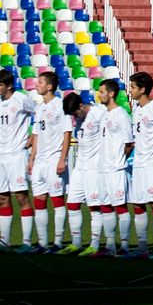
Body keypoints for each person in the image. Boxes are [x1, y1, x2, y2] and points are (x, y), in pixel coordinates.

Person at [0, 68, 34, 251]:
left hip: (17, 154)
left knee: (21, 196)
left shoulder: (22, 99)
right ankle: (4, 242)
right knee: (1, 198)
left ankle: (26, 243)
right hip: (0, 154)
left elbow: (38, 116)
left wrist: (32, 138)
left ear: (8, 85)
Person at [125, 71, 153, 259]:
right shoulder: (136, 111)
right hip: (139, 163)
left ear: (142, 89)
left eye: (133, 87)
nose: (130, 90)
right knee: (137, 204)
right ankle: (142, 246)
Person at [28, 70, 72, 254]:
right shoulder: (39, 108)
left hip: (54, 160)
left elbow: (67, 133)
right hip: (40, 161)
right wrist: (32, 158)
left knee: (57, 200)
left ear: (50, 86)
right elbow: (36, 134)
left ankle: (58, 242)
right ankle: (42, 242)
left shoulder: (61, 106)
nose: (36, 85)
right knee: (39, 200)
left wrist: (62, 159)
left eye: (40, 82)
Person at [90, 78, 133, 257]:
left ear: (111, 93)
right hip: (103, 168)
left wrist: (118, 159)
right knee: (106, 206)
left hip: (116, 168)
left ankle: (124, 245)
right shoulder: (105, 115)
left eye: (102, 91)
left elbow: (129, 143)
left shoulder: (121, 114)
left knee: (120, 206)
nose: (99, 95)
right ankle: (109, 245)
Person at [59, 91, 93, 253]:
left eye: (75, 113)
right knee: (72, 203)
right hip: (80, 166)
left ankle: (94, 245)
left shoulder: (98, 114)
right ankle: (76, 243)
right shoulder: (79, 119)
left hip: (94, 168)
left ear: (81, 105)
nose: (75, 117)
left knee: (95, 207)